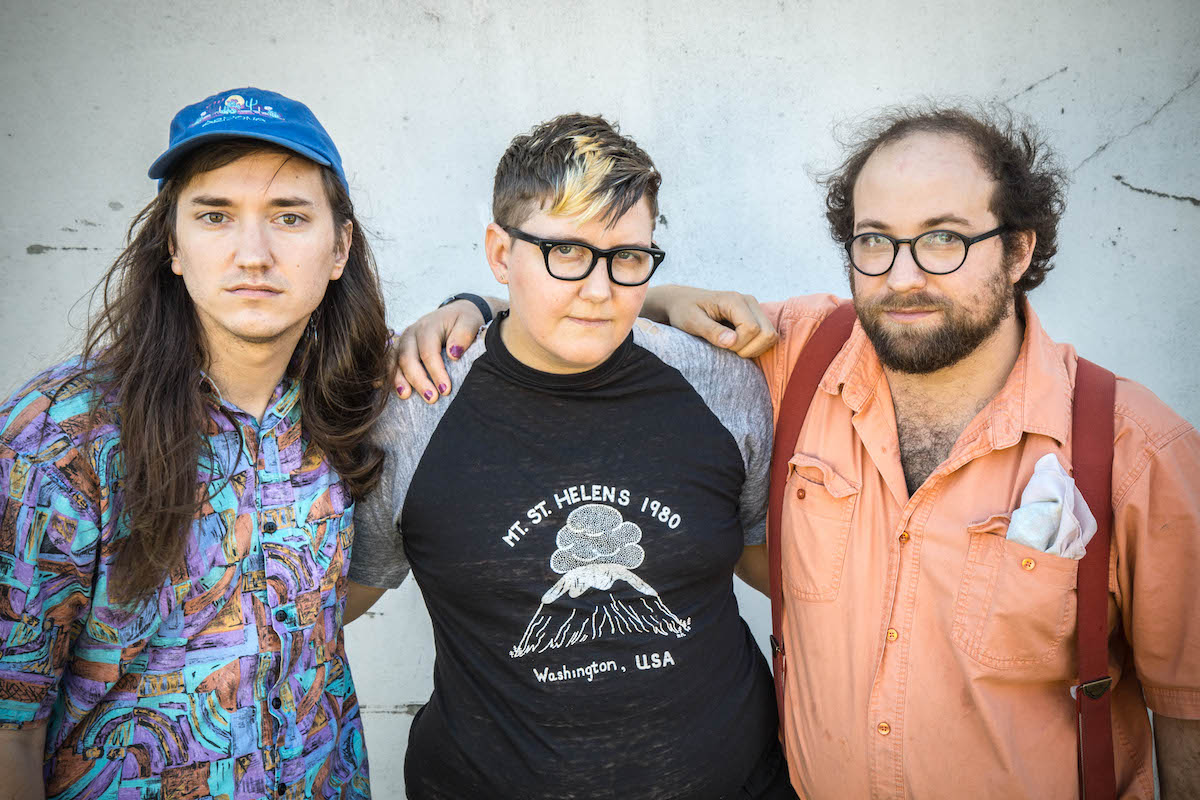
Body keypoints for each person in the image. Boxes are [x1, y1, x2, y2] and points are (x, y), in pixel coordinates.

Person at [396, 105, 1200, 798]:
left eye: (945, 240)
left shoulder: (1134, 450)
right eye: (875, 240)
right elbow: (584, 308)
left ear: (1019, 250)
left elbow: (1189, 709)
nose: (904, 275)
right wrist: (473, 308)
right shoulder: (792, 359)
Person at [344, 113, 796, 799]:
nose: (599, 289)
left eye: (628, 258)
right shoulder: (415, 405)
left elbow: (771, 559)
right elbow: (334, 597)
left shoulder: (723, 384)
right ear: (501, 254)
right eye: (566, 253)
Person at [0, 87, 391, 800]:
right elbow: (9, 726)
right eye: (215, 216)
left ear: (339, 248)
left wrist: (472, 303)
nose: (253, 253)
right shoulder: (60, 441)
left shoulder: (349, 404)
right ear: (173, 247)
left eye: (289, 217)